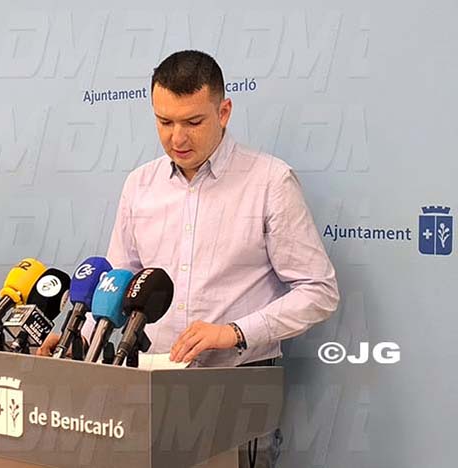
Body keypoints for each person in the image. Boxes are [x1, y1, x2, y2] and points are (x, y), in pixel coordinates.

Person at [40, 50, 339, 467]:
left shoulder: (270, 182)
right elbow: (117, 281)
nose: (177, 139)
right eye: (164, 122)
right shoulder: (139, 185)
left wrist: (234, 332)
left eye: (193, 122)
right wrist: (81, 340)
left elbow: (319, 291)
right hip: (146, 386)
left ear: (224, 112)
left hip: (237, 387)